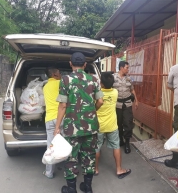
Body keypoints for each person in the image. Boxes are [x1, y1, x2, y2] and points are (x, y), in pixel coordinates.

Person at [54, 52, 103, 193]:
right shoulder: (93, 79)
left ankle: (71, 189)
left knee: (71, 157)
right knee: (89, 156)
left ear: (70, 63)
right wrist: (92, 111)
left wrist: (57, 127)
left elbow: (63, 105)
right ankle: (87, 188)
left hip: (72, 128)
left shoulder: (65, 80)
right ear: (85, 64)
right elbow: (100, 101)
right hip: (91, 126)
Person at [95, 72, 131, 179]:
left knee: (96, 148)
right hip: (112, 125)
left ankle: (95, 169)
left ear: (101, 83)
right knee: (116, 146)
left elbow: (96, 103)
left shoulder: (97, 94)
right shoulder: (115, 92)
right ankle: (119, 169)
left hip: (99, 125)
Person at [113, 61, 138, 154]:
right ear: (121, 67)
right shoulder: (113, 77)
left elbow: (132, 89)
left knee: (128, 124)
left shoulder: (129, 79)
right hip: (117, 105)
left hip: (127, 104)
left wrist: (136, 101)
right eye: (127, 67)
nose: (128, 69)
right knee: (118, 124)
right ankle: (120, 140)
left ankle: (127, 143)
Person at [43, 67, 62, 179]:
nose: (61, 74)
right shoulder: (61, 83)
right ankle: (70, 170)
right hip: (62, 117)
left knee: (51, 146)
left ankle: (49, 172)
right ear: (55, 74)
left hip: (49, 119)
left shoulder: (45, 87)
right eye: (60, 72)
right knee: (67, 144)